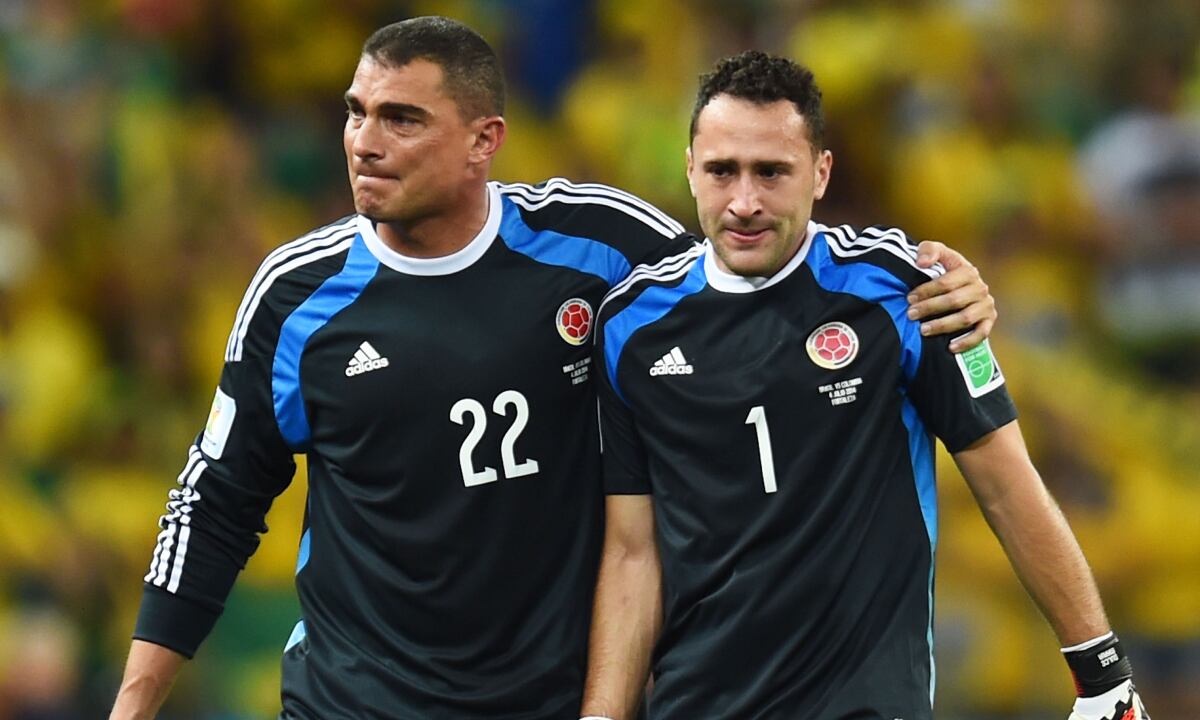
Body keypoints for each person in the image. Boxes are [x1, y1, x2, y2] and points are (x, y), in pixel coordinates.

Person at [108, 20, 995, 720]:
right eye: (355, 112)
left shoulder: (595, 247)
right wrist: (133, 705)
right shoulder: (297, 295)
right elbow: (215, 500)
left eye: (402, 118)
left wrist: (944, 288)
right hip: (356, 697)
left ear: (483, 139)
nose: (363, 141)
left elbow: (749, 273)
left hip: (555, 695)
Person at [580, 51, 1150, 720]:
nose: (744, 201)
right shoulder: (629, 326)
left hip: (866, 702)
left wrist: (1102, 672)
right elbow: (631, 550)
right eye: (721, 171)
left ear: (820, 173)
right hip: (697, 702)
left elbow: (1005, 484)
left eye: (771, 172)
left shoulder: (903, 293)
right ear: (689, 168)